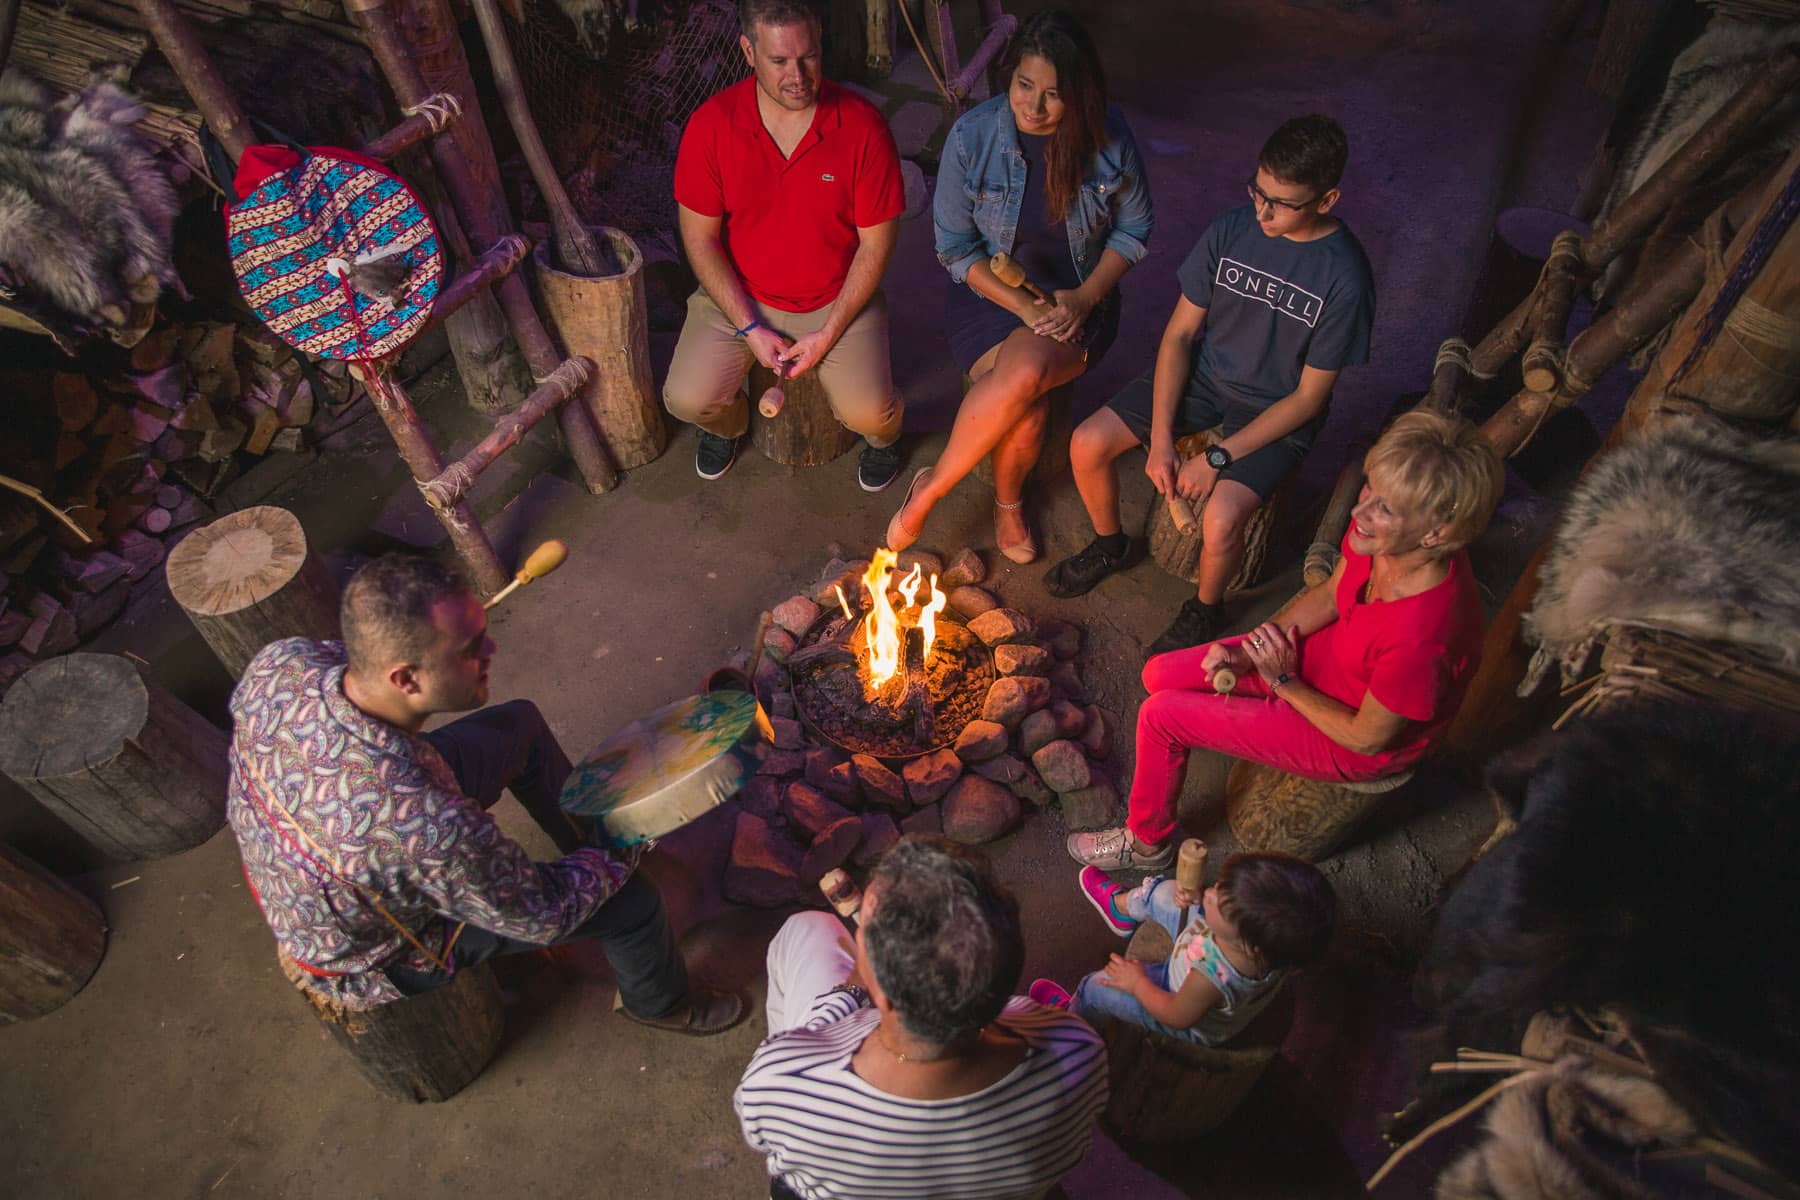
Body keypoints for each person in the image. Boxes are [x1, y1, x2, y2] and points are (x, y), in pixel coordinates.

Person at [225, 553, 744, 1033]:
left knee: (518, 726)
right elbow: (543, 915)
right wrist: (625, 850)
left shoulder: (283, 664)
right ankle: (659, 1003)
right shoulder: (428, 826)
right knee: (634, 905)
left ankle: (584, 833)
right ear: (404, 678)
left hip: (337, 821)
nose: (492, 650)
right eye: (471, 650)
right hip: (375, 946)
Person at [1068, 409, 1504, 872]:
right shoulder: (1380, 538)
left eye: (1385, 508)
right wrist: (1244, 651)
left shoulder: (1425, 636)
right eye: (1369, 488)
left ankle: (1146, 843)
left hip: (1345, 729)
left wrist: (1282, 682)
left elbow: (1367, 739)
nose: (1359, 512)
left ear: (1436, 533)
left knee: (1161, 717)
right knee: (1160, 673)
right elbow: (1334, 593)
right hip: (1316, 663)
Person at [1045, 114, 1376, 658]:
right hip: (1206, 377)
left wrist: (1216, 459)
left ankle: (1205, 606)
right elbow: (1178, 336)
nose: (1262, 212)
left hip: (1276, 407)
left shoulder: (1345, 277)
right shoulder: (1232, 228)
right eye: (1258, 191)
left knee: (1220, 519)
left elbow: (1309, 399)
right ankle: (1110, 546)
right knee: (1086, 443)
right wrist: (1158, 441)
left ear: (1327, 199)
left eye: (1281, 202)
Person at [886, 8, 1152, 564]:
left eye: (1052, 94)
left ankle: (933, 489)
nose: (1033, 106)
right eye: (1023, 85)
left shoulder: (1110, 138)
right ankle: (1004, 505)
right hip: (992, 293)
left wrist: (1085, 297)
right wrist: (1019, 307)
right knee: (1027, 406)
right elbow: (955, 248)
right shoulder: (973, 136)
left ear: (1079, 94)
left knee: (1028, 376)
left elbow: (1134, 230)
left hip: (1079, 298)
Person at [735, 836, 1108, 1200]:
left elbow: (769, 1131)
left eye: (864, 933)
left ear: (879, 990)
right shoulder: (1077, 1049)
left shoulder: (782, 1079)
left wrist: (850, 992)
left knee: (808, 927)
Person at [665, 0, 906, 490]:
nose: (798, 76)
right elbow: (700, 240)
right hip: (741, 296)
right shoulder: (711, 126)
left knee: (873, 416)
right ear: (749, 51)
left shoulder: (863, 126)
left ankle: (889, 441)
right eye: (779, 61)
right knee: (686, 400)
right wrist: (750, 326)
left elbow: (876, 247)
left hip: (834, 300)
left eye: (809, 57)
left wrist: (830, 331)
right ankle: (729, 425)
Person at [1032, 851, 1334, 1045]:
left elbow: (1177, 1015)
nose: (1211, 892)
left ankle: (1069, 1027)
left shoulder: (1211, 976)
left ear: (1247, 944)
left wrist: (1137, 984)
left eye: (1219, 901)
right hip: (1197, 949)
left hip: (1176, 994)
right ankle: (1123, 911)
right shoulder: (1275, 945)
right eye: (1220, 887)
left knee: (1096, 987)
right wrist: (1201, 902)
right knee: (1163, 892)